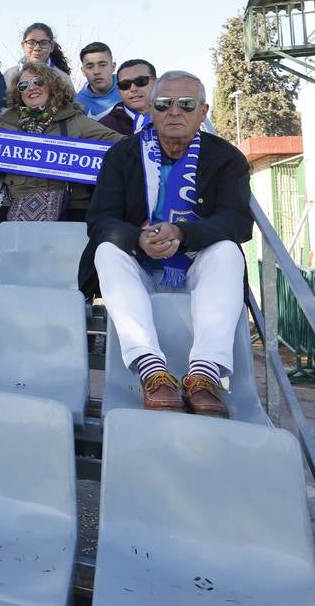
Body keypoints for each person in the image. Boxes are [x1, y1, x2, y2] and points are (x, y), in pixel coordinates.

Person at [81, 71, 252, 418]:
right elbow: (100, 220)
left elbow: (237, 221)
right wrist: (137, 239)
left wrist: (183, 234)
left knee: (228, 250)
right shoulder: (123, 155)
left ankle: (204, 374)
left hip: (195, 261)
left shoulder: (226, 157)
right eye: (163, 104)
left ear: (203, 111)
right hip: (140, 263)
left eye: (186, 104)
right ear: (151, 109)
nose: (174, 112)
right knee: (106, 250)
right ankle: (151, 370)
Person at [0, 62, 123, 223]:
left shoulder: (75, 120)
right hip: (16, 205)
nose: (31, 88)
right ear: (19, 93)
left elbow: (121, 145)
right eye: (23, 85)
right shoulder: (7, 125)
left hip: (71, 206)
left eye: (38, 82)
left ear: (52, 86)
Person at [3, 22, 74, 89]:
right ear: (23, 46)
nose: (37, 48)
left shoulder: (63, 78)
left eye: (43, 43)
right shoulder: (10, 76)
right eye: (31, 43)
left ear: (52, 47)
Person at [100, 59, 158, 135]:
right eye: (125, 84)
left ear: (156, 83)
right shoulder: (103, 128)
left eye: (140, 81)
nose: (133, 89)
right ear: (119, 91)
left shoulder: (173, 117)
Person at [75, 42, 122, 117]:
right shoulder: (76, 104)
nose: (96, 72)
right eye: (90, 67)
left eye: (102, 65)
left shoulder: (131, 89)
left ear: (113, 67)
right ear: (83, 71)